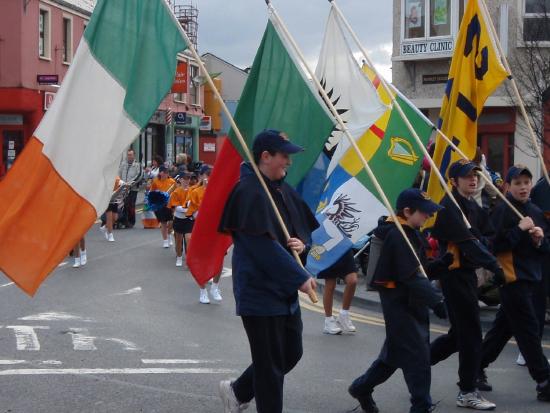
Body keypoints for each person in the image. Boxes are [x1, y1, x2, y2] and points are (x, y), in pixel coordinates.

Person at [217, 129, 318, 413]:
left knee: (290, 353)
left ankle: (238, 391)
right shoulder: (247, 192)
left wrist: (303, 243)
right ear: (265, 156)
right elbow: (262, 247)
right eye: (284, 155)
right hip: (260, 294)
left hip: (283, 291)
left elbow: (302, 231)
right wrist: (300, 277)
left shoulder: (283, 188)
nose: (289, 161)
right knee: (270, 368)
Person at [348, 188, 449, 413]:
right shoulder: (398, 235)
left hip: (411, 303)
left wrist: (440, 265)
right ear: (407, 211)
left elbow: (418, 270)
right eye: (424, 212)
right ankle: (421, 406)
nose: (428, 216)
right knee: (418, 359)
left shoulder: (410, 232)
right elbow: (411, 276)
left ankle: (361, 388)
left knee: (393, 357)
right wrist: (437, 302)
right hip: (400, 305)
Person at [429, 159, 504, 410]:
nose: (473, 180)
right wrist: (495, 267)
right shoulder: (449, 207)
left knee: (458, 336)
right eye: (467, 176)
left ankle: (417, 361)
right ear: (453, 181)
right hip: (454, 277)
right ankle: (467, 391)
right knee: (471, 334)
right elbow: (470, 244)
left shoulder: (472, 206)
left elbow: (489, 236)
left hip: (469, 276)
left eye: (475, 175)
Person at [477, 165, 550, 402]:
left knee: (501, 331)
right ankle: (544, 380)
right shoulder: (502, 211)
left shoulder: (536, 211)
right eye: (517, 183)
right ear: (508, 186)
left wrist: (540, 240)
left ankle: (474, 368)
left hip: (532, 279)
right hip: (512, 280)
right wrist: (519, 230)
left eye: (526, 182)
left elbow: (545, 248)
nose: (523, 187)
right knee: (529, 331)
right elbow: (494, 246)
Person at [185, 164, 223, 303]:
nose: (209, 178)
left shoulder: (219, 192)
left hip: (217, 231)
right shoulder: (195, 192)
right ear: (201, 177)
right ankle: (202, 291)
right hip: (201, 231)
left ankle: (215, 286)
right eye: (207, 175)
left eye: (212, 175)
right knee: (201, 260)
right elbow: (189, 213)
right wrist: (197, 214)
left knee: (219, 258)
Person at [318, 249, 358, 335]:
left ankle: (343, 314)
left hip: (344, 245)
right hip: (327, 247)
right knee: (330, 284)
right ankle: (328, 321)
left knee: (352, 280)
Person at [169, 173, 191, 267]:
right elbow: (176, 207)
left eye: (188, 179)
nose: (186, 181)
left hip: (189, 219)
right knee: (178, 240)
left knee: (188, 239)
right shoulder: (176, 192)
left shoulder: (192, 191)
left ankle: (188, 259)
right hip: (179, 218)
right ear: (180, 180)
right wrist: (187, 209)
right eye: (184, 179)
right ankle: (179, 256)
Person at [150, 166, 175, 247]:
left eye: (167, 172)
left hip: (170, 204)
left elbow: (176, 192)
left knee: (171, 222)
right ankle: (165, 240)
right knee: (163, 223)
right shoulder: (155, 181)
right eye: (164, 172)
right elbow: (152, 192)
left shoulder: (172, 181)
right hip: (160, 205)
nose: (166, 174)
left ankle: (170, 234)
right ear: (160, 173)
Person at [118, 148, 143, 228]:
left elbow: (139, 176)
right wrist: (121, 183)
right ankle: (124, 221)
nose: (129, 156)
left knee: (131, 205)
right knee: (123, 204)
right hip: (123, 188)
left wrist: (130, 184)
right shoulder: (123, 164)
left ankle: (131, 221)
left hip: (133, 188)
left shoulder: (137, 165)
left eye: (131, 155)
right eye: (128, 155)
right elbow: (119, 174)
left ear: (134, 155)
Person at [101, 176, 124, 242]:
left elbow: (122, 185)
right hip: (107, 199)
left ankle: (104, 227)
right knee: (109, 217)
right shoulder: (105, 178)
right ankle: (110, 235)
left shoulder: (117, 178)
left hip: (114, 199)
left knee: (115, 218)